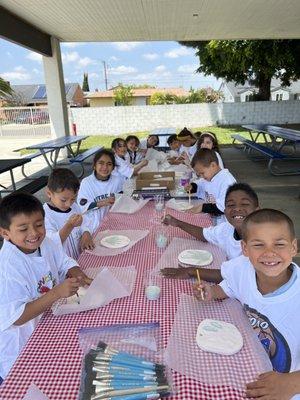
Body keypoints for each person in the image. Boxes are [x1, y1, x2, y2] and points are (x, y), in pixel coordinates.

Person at [194, 209, 300, 399]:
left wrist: (291, 383)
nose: (269, 253)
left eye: (280, 244)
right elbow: (229, 287)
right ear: (245, 249)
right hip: (250, 364)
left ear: (294, 248)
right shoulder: (241, 269)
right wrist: (212, 292)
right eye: (258, 245)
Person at [0, 192, 92, 380]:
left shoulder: (46, 243)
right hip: (22, 344)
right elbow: (17, 317)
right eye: (23, 229)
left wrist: (76, 271)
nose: (34, 233)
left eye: (39, 225)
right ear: (5, 233)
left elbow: (62, 260)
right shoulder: (8, 268)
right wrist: (55, 293)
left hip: (47, 324)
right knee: (33, 382)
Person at [161, 183, 259, 281]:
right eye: (231, 205)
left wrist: (191, 272)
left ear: (257, 210)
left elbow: (236, 276)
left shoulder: (260, 242)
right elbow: (204, 234)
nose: (237, 208)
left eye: (245, 204)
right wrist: (177, 223)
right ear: (224, 211)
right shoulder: (227, 228)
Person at [44, 168, 94, 260]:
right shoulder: (45, 215)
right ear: (49, 193)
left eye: (73, 199)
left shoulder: (74, 207)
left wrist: (86, 233)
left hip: (80, 258)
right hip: (64, 268)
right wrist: (69, 225)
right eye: (63, 200)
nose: (68, 204)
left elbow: (84, 222)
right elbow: (52, 243)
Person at [77, 149, 123, 233]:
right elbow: (83, 207)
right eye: (101, 163)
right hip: (91, 226)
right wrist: (103, 203)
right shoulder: (87, 183)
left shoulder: (117, 180)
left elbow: (120, 199)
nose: (105, 167)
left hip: (112, 223)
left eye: (109, 164)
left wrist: (118, 199)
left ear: (113, 167)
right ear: (94, 165)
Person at [186, 148, 236, 217]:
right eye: (199, 174)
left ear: (213, 165)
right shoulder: (209, 177)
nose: (201, 176)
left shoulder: (227, 181)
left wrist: (202, 207)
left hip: (225, 222)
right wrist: (192, 187)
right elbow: (200, 185)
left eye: (202, 173)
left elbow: (224, 207)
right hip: (213, 218)